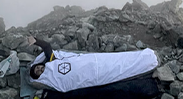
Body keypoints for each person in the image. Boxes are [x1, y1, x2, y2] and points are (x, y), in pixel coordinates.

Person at [27, 36, 159, 92]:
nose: (40, 69)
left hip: (92, 62)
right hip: (90, 76)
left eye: (38, 67)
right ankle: (147, 65)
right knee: (117, 71)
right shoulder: (50, 80)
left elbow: (47, 46)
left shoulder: (51, 61)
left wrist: (36, 40)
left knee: (118, 60)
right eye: (38, 71)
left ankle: (147, 58)